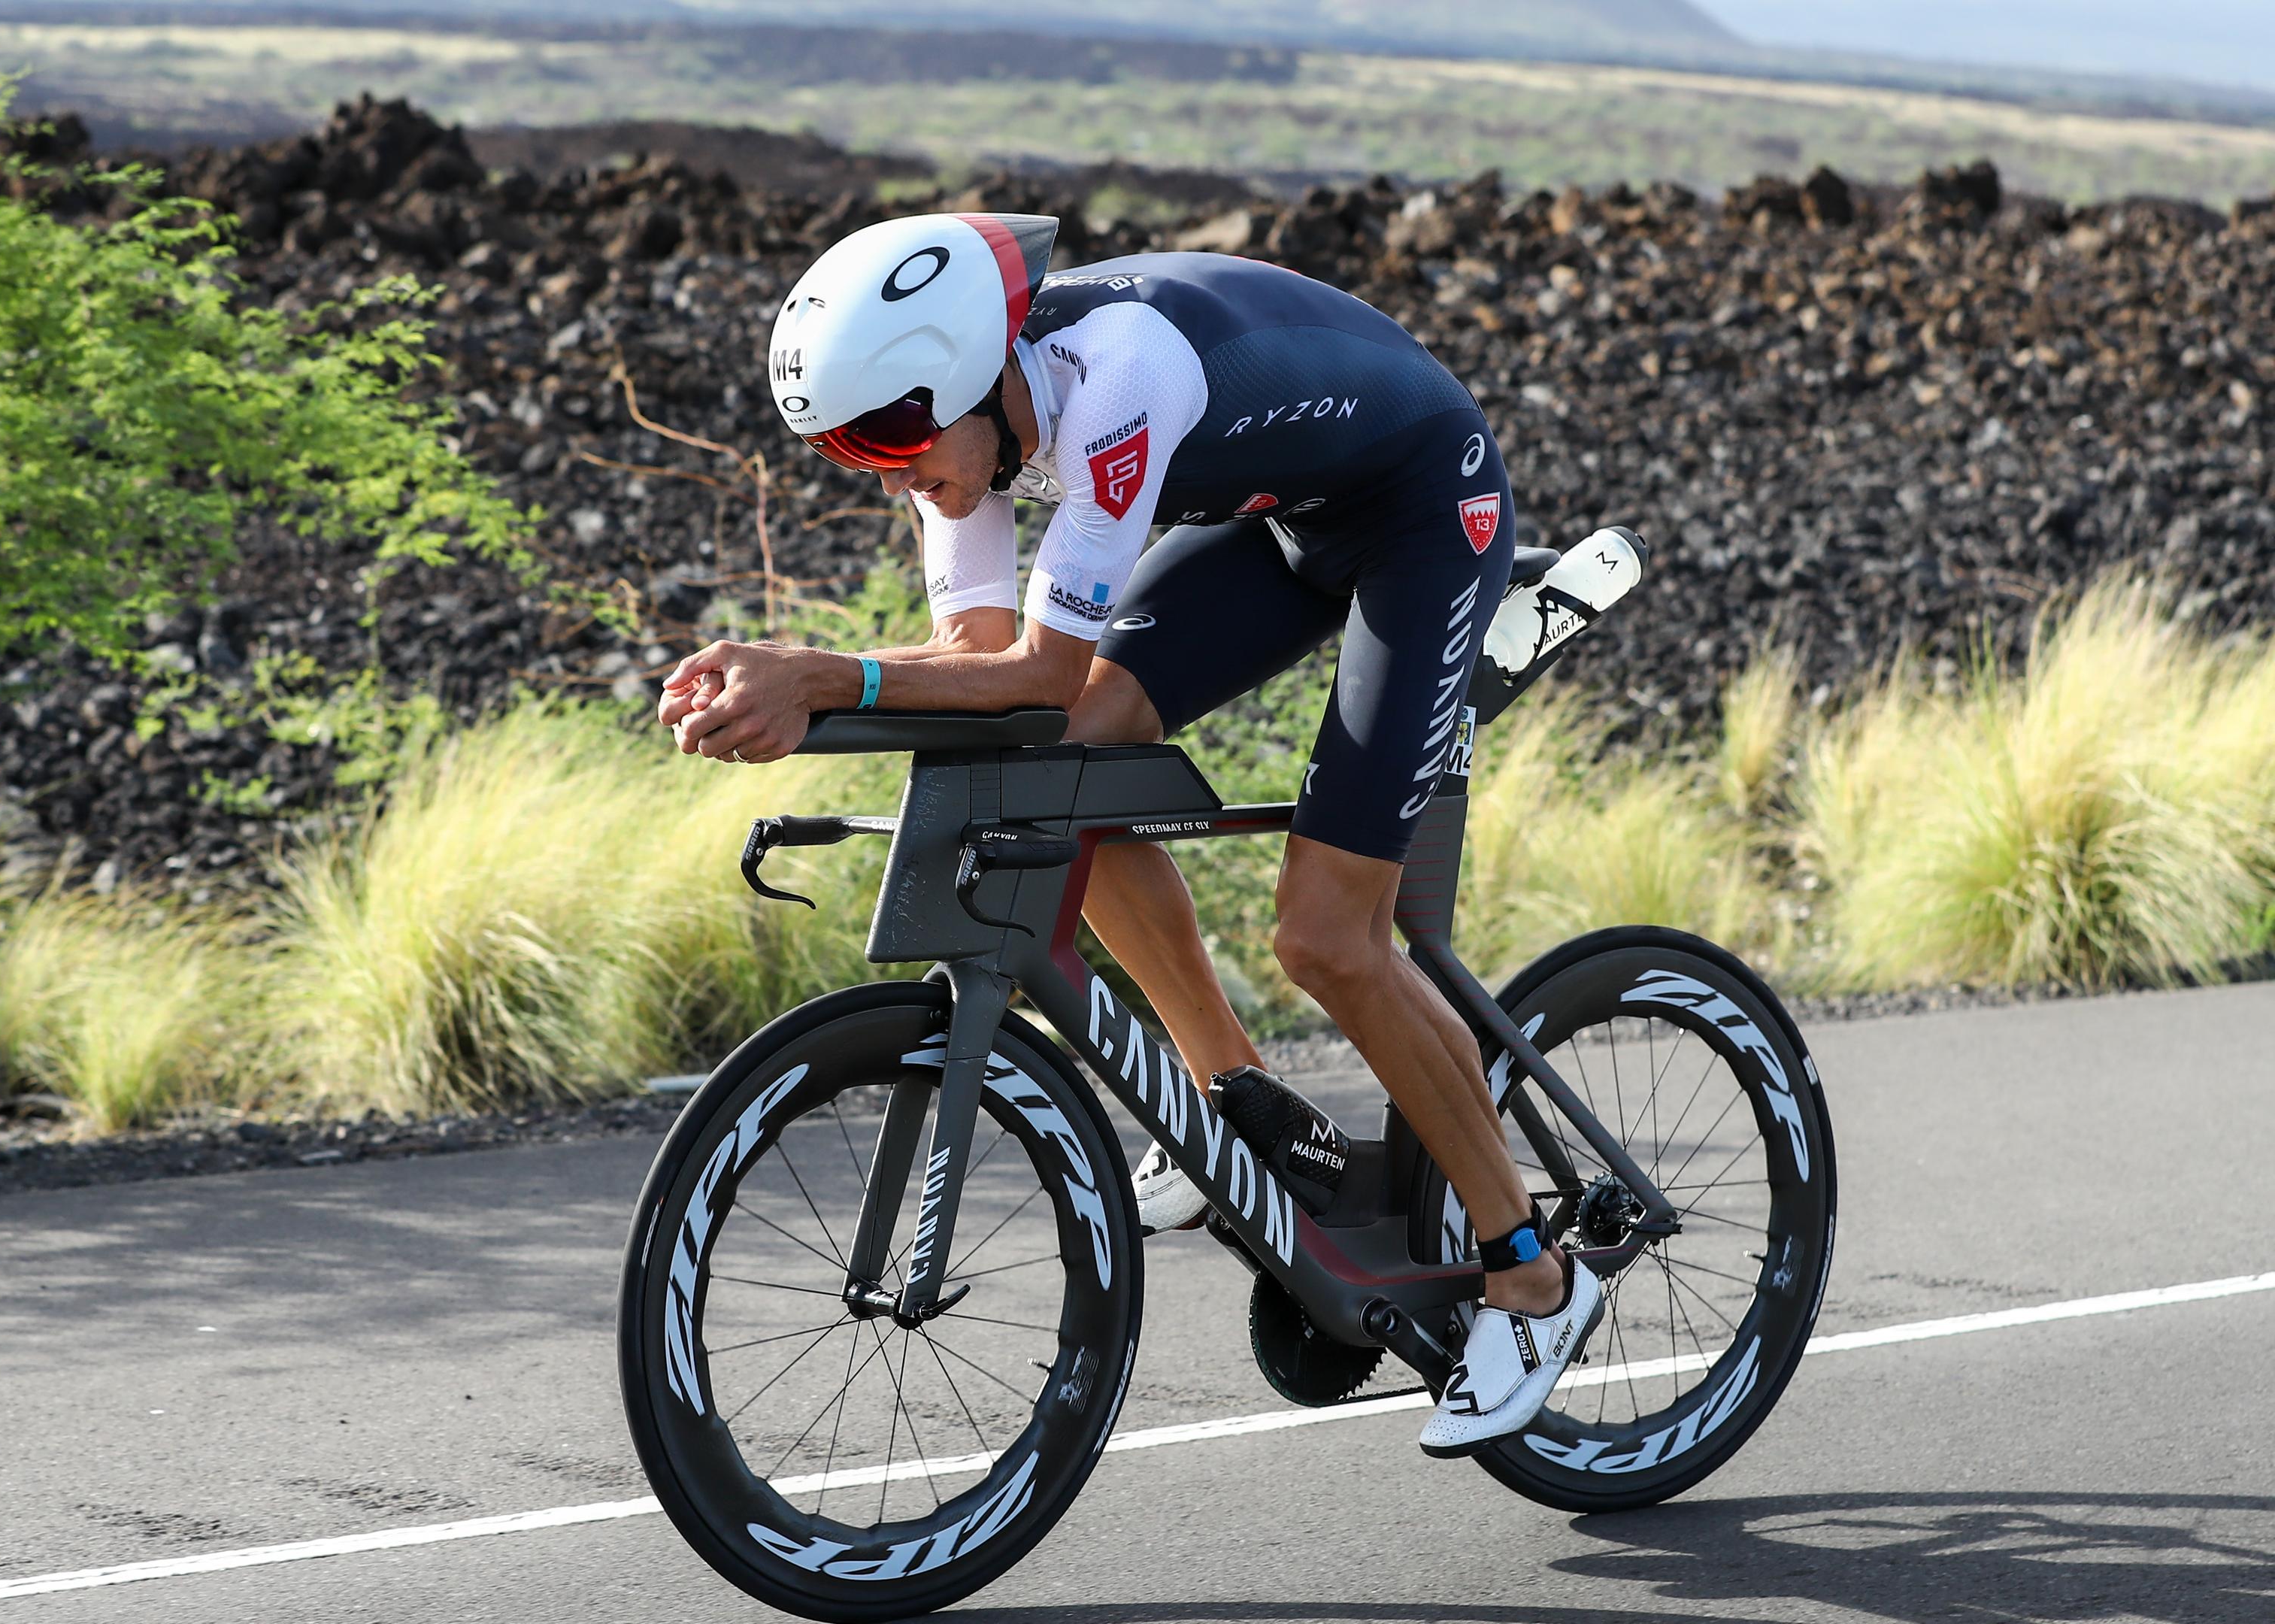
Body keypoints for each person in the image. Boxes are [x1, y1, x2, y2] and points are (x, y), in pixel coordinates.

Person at [656, 211, 1598, 1456]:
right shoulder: (968, 437)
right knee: (1063, 768)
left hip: (1425, 509)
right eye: (843, 449)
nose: (884, 473)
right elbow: (978, 663)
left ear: (975, 374)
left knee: (1328, 938)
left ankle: (1533, 1276)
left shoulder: (1119, 376)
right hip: (1281, 516)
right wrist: (794, 679)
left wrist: (819, 672)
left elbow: (1035, 672)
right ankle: (1232, 1095)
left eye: (890, 434)